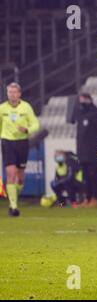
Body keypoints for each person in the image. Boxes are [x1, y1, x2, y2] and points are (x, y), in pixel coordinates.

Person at [0, 82, 40, 217]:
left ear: (19, 94)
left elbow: (35, 124)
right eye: (9, 92)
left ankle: (14, 195)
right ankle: (13, 206)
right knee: (11, 173)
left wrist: (28, 130)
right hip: (7, 142)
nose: (12, 94)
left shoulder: (26, 107)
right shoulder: (2, 108)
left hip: (22, 142)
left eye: (14, 92)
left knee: (20, 177)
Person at [75, 93, 97, 208]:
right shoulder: (81, 116)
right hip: (82, 152)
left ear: (89, 100)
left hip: (93, 151)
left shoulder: (95, 115)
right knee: (85, 176)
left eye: (83, 99)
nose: (81, 102)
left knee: (93, 175)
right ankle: (87, 198)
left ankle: (96, 198)